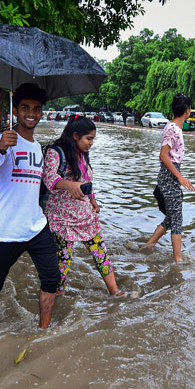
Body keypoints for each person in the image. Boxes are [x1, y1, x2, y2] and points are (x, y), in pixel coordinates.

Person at [0, 83, 61, 329]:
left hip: (36, 226)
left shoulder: (39, 149)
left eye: (36, 108)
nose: (30, 113)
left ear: (41, 112)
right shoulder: (1, 139)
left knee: (51, 278)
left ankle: (44, 331)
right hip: (6, 230)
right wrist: (0, 149)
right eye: (24, 107)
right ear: (16, 111)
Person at [43, 116, 123, 296]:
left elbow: (86, 181)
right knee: (63, 261)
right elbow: (48, 177)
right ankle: (58, 296)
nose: (91, 143)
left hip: (86, 216)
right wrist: (68, 185)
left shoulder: (83, 154)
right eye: (89, 138)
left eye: (93, 139)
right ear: (75, 136)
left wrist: (92, 200)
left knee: (101, 253)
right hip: (62, 218)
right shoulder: (56, 152)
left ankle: (115, 291)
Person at [145, 94, 194, 262]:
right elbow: (163, 155)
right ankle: (178, 261)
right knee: (177, 219)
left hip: (170, 175)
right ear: (187, 111)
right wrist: (179, 177)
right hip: (169, 177)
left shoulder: (175, 128)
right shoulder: (172, 128)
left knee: (171, 217)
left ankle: (148, 246)